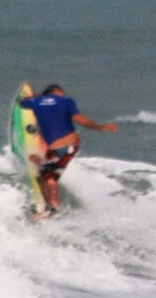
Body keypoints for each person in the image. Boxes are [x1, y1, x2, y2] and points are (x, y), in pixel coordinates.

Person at [17, 83, 116, 214]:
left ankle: (51, 209)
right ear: (57, 92)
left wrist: (36, 96)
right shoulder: (66, 101)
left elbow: (21, 103)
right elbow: (79, 120)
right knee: (44, 175)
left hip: (59, 148)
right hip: (69, 146)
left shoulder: (36, 101)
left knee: (46, 175)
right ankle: (50, 208)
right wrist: (100, 127)